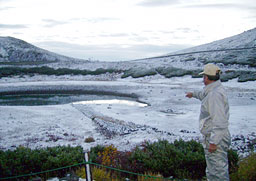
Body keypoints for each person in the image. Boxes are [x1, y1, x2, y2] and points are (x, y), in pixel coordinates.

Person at [186, 63, 231, 181]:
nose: (203, 79)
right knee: (213, 169)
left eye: (204, 76)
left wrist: (214, 142)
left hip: (215, 137)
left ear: (206, 77)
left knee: (217, 172)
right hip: (214, 136)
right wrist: (193, 94)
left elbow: (220, 121)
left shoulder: (214, 95)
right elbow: (203, 95)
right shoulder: (214, 89)